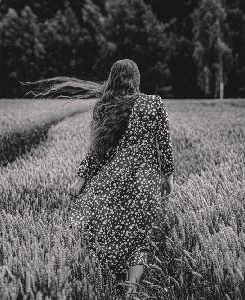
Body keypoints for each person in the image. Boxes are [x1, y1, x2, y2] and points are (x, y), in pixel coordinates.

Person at [66, 59, 175, 297]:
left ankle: (106, 279)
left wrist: (81, 180)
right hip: (144, 183)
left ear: (112, 79)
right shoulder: (153, 103)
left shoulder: (105, 105)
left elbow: (96, 152)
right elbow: (164, 145)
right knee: (139, 239)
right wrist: (168, 177)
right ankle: (130, 290)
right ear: (137, 79)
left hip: (112, 181)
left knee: (103, 232)